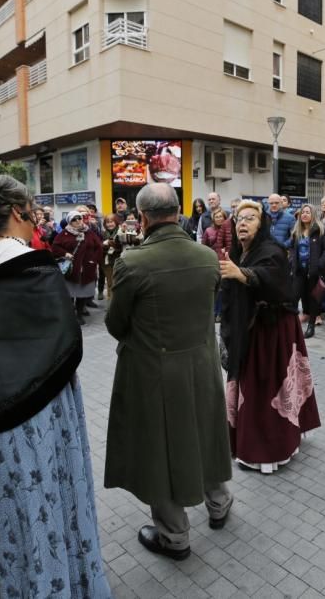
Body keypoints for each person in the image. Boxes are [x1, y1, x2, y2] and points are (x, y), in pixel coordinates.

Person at [0, 175, 110, 597]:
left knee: (0, 487)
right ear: (20, 212)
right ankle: (49, 575)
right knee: (37, 488)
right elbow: (64, 343)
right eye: (32, 213)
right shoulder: (32, 266)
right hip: (36, 408)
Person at [104, 182, 233, 560]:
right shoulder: (208, 256)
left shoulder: (133, 262)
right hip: (202, 364)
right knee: (205, 432)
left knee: (159, 446)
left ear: (142, 217)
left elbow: (115, 323)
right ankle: (219, 502)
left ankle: (174, 536)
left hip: (155, 370)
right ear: (178, 211)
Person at [220, 199, 321, 473]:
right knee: (250, 386)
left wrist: (242, 275)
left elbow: (272, 278)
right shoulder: (237, 251)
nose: (243, 222)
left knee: (265, 387)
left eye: (250, 218)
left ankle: (267, 450)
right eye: (239, 218)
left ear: (262, 223)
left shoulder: (272, 249)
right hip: (249, 329)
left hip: (272, 331)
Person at [289, 204, 325, 338]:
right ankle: (291, 325)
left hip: (315, 272)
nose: (304, 214)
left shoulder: (320, 230)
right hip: (299, 271)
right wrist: (292, 260)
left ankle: (311, 326)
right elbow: (291, 248)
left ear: (313, 214)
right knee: (293, 297)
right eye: (303, 212)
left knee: (314, 299)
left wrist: (319, 264)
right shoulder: (296, 231)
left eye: (307, 212)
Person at [50, 207, 103, 323]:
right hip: (71, 270)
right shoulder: (64, 233)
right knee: (70, 294)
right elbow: (55, 247)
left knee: (82, 293)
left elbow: (99, 247)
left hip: (87, 269)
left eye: (80, 218)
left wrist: (93, 260)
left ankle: (79, 314)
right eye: (74, 219)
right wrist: (65, 253)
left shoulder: (89, 232)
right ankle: (70, 314)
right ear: (69, 221)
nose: (78, 221)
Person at [99, 214, 123, 300]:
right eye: (107, 222)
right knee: (110, 283)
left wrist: (112, 244)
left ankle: (118, 302)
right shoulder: (102, 233)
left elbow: (122, 246)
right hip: (107, 262)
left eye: (112, 222)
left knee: (119, 283)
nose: (110, 224)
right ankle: (110, 302)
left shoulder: (121, 232)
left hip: (119, 261)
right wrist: (104, 245)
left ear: (116, 222)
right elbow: (99, 247)